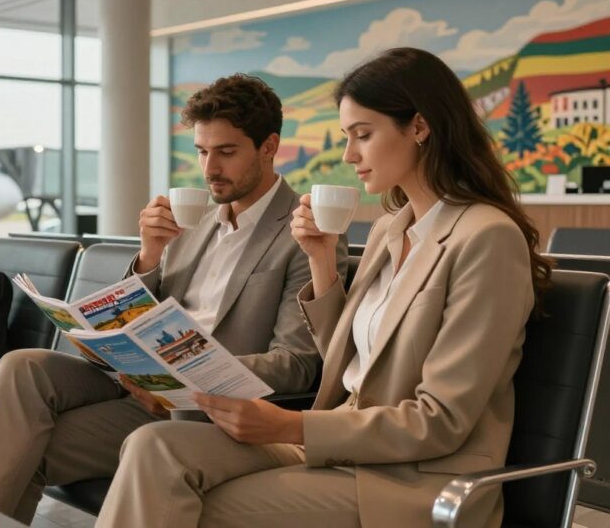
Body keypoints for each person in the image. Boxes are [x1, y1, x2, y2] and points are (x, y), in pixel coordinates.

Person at [94, 47, 552, 528]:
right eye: (346, 137)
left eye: (363, 135)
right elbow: (350, 358)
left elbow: (440, 420)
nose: (349, 154)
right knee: (154, 446)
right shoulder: (390, 229)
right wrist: (320, 262)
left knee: (190, 503)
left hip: (413, 476)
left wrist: (291, 424)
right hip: (343, 443)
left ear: (419, 127)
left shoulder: (486, 237)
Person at [0, 73, 346, 525]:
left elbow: (297, 362)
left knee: (20, 452)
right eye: (201, 151)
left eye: (226, 152)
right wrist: (149, 255)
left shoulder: (305, 234)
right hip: (137, 384)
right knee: (21, 366)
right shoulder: (192, 219)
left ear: (269, 146)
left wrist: (188, 376)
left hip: (200, 411)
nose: (209, 169)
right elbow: (140, 312)